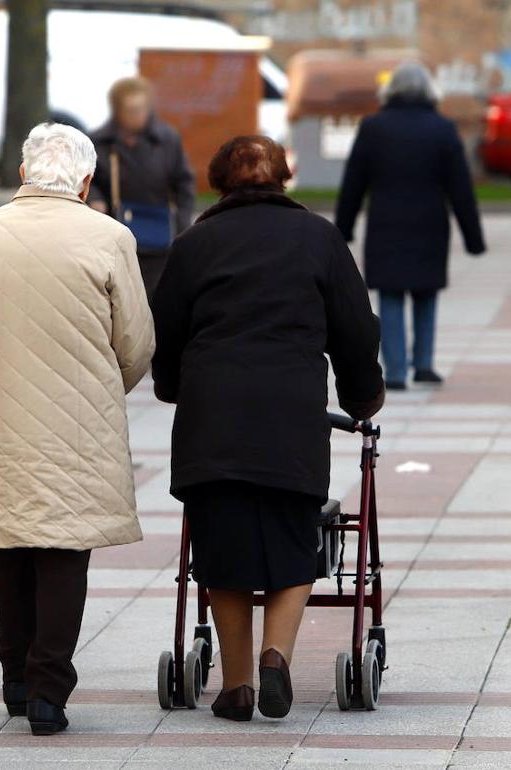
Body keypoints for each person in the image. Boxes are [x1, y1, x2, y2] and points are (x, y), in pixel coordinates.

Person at [151, 136, 385, 722]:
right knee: (292, 539)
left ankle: (235, 685)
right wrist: (362, 397)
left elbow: (166, 332)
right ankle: (276, 656)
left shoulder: (194, 244)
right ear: (285, 177)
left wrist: (172, 385)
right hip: (290, 415)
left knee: (220, 546)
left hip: (213, 417)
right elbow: (356, 329)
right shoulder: (319, 238)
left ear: (217, 182)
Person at [0, 122, 155, 735]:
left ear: (22, 174)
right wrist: (97, 390)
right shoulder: (110, 237)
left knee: (11, 546)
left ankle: (14, 676)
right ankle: (47, 692)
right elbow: (138, 342)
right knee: (65, 550)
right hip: (79, 425)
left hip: (0, 419)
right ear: (87, 181)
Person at [335, 61, 486, 391]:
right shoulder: (442, 128)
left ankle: (396, 371)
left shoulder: (373, 128)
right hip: (429, 224)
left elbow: (354, 182)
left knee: (390, 295)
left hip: (386, 224)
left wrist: (342, 228)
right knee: (426, 293)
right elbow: (461, 188)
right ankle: (424, 364)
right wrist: (473, 237)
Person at [88, 76, 196, 296]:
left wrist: (182, 225)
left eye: (142, 109)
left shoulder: (166, 139)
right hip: (115, 231)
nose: (138, 115)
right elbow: (88, 179)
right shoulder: (100, 141)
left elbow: (184, 183)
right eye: (131, 110)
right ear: (117, 111)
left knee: (155, 295)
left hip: (158, 231)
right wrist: (94, 199)